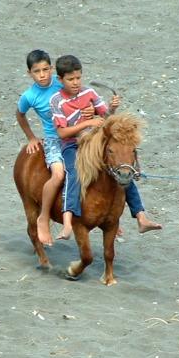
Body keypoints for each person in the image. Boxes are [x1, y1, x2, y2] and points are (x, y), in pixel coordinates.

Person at [50, 54, 162, 240]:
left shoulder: (90, 93)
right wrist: (87, 123)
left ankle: (141, 216)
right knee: (74, 174)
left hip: (95, 142)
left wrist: (112, 108)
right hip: (72, 145)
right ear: (60, 80)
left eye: (78, 78)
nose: (76, 82)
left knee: (123, 168)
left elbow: (106, 118)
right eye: (70, 79)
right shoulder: (56, 100)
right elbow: (62, 133)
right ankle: (68, 220)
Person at [15, 50, 66, 246]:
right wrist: (31, 137)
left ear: (52, 69)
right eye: (37, 71)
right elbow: (20, 114)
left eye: (46, 69)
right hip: (54, 139)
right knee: (58, 175)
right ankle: (44, 217)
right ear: (30, 73)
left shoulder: (61, 83)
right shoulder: (30, 96)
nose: (43, 75)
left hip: (74, 134)